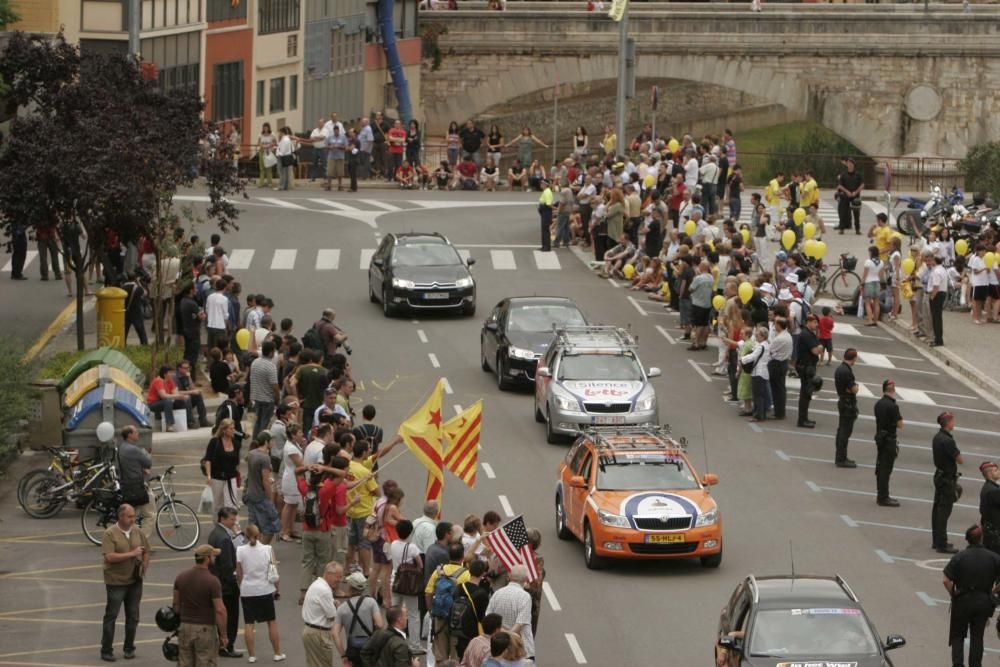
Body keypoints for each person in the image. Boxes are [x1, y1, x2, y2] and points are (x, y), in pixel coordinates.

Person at [943, 525, 1000, 667]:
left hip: (962, 600)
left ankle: (958, 664)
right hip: (983, 601)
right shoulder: (993, 557)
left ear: (968, 540)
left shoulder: (959, 557)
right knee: (977, 636)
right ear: (981, 539)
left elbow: (946, 580)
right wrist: (993, 592)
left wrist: (953, 594)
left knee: (957, 636)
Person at [101, 504, 150, 662]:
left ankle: (129, 647)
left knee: (133, 616)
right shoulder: (110, 533)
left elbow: (147, 551)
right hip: (116, 581)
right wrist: (132, 554)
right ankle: (106, 650)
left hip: (135, 580)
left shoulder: (138, 531)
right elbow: (109, 557)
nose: (132, 519)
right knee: (112, 616)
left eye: (133, 516)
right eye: (129, 516)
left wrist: (144, 567)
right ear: (120, 516)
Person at [236, 524, 284, 663]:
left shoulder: (240, 550)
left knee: (249, 623)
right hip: (265, 589)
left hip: (247, 591)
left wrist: (242, 585)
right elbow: (274, 573)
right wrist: (277, 590)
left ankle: (251, 655)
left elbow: (239, 572)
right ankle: (277, 653)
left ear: (246, 535)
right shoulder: (268, 549)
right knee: (271, 622)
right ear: (260, 535)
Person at [173, 544, 228, 667]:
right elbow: (220, 610)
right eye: (213, 556)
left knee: (184, 663)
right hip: (205, 629)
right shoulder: (212, 581)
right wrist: (223, 635)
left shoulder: (181, 577)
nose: (215, 558)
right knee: (205, 662)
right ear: (207, 558)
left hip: (185, 627)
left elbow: (176, 605)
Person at [208, 507, 244, 658]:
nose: (234, 522)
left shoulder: (215, 533)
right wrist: (235, 583)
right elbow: (227, 565)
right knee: (231, 617)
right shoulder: (223, 538)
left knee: (220, 617)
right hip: (226, 585)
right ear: (222, 519)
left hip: (216, 581)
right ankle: (228, 645)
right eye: (231, 519)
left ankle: (221, 645)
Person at [484, 564, 534, 662]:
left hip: (498, 647)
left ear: (509, 576)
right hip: (520, 650)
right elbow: (520, 623)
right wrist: (508, 638)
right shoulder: (525, 597)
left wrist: (501, 635)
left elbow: (488, 617)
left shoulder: (497, 593)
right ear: (526, 579)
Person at [334, 572, 384, 667]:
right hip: (370, 648)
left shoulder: (342, 608)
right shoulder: (371, 602)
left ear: (350, 587)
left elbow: (335, 634)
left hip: (353, 650)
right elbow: (380, 624)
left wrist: (343, 655)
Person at [302, 561, 344, 667]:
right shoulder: (324, 590)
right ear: (329, 574)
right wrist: (338, 607)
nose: (339, 580)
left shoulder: (317, 584)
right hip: (319, 634)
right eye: (338, 577)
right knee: (325, 664)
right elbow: (333, 616)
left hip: (311, 631)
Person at [933, 412, 964, 554]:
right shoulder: (948, 440)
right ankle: (942, 543)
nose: (954, 423)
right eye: (952, 420)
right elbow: (960, 459)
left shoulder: (937, 437)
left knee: (937, 509)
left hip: (939, 475)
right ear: (948, 423)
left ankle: (936, 540)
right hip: (947, 478)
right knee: (944, 511)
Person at [116, 425, 154, 537]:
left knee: (132, 515)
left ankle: (132, 539)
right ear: (130, 435)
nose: (138, 434)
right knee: (149, 515)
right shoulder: (134, 450)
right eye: (136, 432)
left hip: (127, 486)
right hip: (138, 486)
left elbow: (127, 465)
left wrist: (140, 468)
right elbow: (148, 463)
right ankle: (142, 541)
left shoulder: (122, 448)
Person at [203, 419, 243, 521]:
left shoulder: (236, 443)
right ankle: (219, 528)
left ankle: (234, 529)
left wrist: (238, 476)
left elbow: (237, 462)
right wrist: (208, 476)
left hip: (231, 478)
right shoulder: (214, 442)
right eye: (231, 428)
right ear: (224, 430)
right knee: (217, 506)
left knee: (232, 505)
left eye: (234, 428)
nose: (233, 430)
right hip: (217, 478)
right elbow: (208, 460)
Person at [245, 432, 280, 545]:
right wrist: (270, 499)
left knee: (254, 526)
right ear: (266, 442)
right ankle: (263, 550)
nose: (273, 443)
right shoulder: (264, 458)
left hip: (250, 494)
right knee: (270, 527)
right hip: (261, 496)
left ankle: (253, 550)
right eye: (271, 441)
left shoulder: (251, 454)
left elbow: (255, 474)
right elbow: (265, 480)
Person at [872, 380, 903, 507]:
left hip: (880, 437)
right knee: (886, 469)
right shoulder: (893, 406)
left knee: (880, 466)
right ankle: (883, 497)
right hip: (889, 439)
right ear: (893, 390)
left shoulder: (878, 404)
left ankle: (881, 493)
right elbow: (900, 424)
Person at [833, 348, 860, 468]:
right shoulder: (847, 372)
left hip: (843, 401)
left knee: (841, 431)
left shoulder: (840, 369)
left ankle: (840, 456)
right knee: (845, 432)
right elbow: (854, 389)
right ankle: (841, 458)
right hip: (847, 403)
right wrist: (856, 387)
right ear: (853, 359)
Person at [795, 314, 822, 428]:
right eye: (815, 322)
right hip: (806, 367)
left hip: (808, 366)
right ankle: (802, 420)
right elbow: (816, 351)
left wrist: (819, 347)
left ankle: (804, 418)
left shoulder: (810, 334)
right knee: (805, 394)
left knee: (807, 394)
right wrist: (820, 348)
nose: (816, 325)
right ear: (809, 322)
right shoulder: (806, 334)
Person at [249, 341, 280, 439]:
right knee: (265, 424)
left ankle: (255, 440)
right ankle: (261, 442)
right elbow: (275, 386)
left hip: (257, 397)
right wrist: (277, 399)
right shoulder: (271, 366)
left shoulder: (255, 362)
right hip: (267, 399)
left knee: (258, 421)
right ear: (271, 352)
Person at [148, 365, 192, 432]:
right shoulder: (158, 380)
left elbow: (175, 393)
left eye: (173, 372)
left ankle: (186, 422)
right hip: (153, 404)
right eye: (170, 372)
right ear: (165, 374)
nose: (173, 374)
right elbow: (163, 396)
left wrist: (182, 397)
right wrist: (178, 396)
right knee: (168, 402)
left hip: (165, 402)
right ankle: (169, 425)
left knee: (182, 401)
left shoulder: (170, 380)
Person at [741, 326, 770, 423]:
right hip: (764, 373)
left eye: (757, 335)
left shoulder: (761, 346)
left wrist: (742, 360)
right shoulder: (766, 345)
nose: (756, 337)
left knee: (757, 395)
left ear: (762, 336)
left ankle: (758, 415)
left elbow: (753, 356)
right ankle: (762, 414)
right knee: (761, 395)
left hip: (758, 373)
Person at [766, 317, 792, 419]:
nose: (774, 326)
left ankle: (779, 413)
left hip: (777, 364)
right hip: (782, 363)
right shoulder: (787, 335)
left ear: (779, 326)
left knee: (777, 389)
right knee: (780, 388)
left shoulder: (780, 338)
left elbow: (770, 349)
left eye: (775, 324)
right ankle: (779, 411)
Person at [175, 361, 212, 428]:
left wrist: (189, 377)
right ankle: (190, 422)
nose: (187, 369)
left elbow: (192, 388)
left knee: (197, 395)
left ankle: (203, 420)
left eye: (188, 368)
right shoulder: (175, 378)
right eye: (185, 368)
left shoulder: (185, 376)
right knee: (187, 397)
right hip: (177, 401)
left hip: (185, 399)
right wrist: (191, 392)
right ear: (179, 368)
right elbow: (177, 392)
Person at [836, 157, 863, 234]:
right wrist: (846, 191)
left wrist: (856, 192)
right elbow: (840, 185)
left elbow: (862, 184)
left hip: (855, 196)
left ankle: (857, 229)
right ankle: (842, 228)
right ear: (847, 165)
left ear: (853, 165)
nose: (850, 165)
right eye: (848, 163)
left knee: (856, 213)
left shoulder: (858, 174)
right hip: (845, 195)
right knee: (843, 212)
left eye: (851, 163)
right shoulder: (843, 174)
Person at [928, 254, 949, 347]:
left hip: (937, 294)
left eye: (931, 260)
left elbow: (936, 286)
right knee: (938, 316)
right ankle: (938, 338)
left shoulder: (936, 271)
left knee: (936, 317)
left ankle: (938, 339)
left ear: (935, 261)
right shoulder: (943, 269)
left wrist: (932, 296)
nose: (930, 262)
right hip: (942, 293)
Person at [979, 462, 1000, 555]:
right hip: (995, 532)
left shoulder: (987, 487)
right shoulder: (993, 491)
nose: (999, 472)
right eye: (996, 470)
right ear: (990, 473)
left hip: (989, 529)